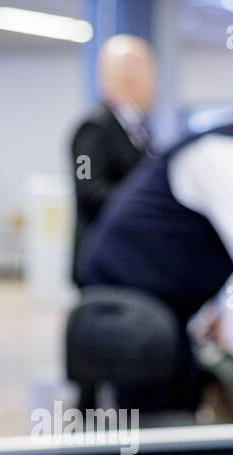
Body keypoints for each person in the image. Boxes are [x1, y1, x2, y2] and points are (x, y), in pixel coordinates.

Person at [77, 87, 233, 412]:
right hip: (128, 299)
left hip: (160, 305)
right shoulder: (230, 155)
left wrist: (213, 312)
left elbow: (214, 247)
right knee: (153, 415)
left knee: (183, 396)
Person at [68, 35, 157, 286]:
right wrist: (147, 205)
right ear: (130, 78)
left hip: (129, 259)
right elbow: (88, 190)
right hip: (103, 261)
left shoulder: (138, 130)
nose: (155, 85)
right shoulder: (93, 129)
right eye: (152, 75)